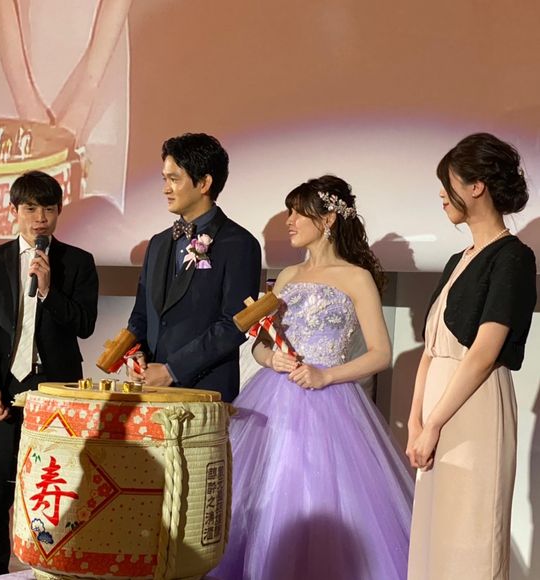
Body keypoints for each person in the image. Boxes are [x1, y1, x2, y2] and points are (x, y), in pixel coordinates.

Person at [211, 175, 414, 580]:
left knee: (318, 492)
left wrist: (326, 375)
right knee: (261, 493)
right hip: (273, 399)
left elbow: (381, 353)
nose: (288, 221)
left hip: (330, 402)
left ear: (328, 219)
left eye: (297, 212)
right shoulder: (287, 276)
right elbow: (260, 345)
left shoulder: (356, 277)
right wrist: (271, 359)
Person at [406, 133, 537, 580]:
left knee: (470, 534)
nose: (442, 195)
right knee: (435, 535)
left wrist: (434, 424)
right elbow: (430, 349)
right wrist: (416, 422)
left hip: (474, 405)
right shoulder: (456, 260)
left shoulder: (513, 258)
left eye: (449, 184)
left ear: (477, 186)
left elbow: (483, 353)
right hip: (438, 409)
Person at [0, 170, 99, 579]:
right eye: (30, 209)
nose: (40, 218)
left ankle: (48, 571)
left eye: (48, 209)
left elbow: (85, 325)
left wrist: (47, 290)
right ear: (14, 211)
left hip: (56, 393)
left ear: (58, 211)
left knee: (52, 492)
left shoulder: (78, 262)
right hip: (4, 393)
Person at [127, 133, 262, 402]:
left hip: (205, 392)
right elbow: (141, 315)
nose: (165, 189)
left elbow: (234, 323)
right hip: (150, 391)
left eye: (174, 179)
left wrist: (172, 370)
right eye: (164, 179)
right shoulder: (158, 243)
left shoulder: (239, 244)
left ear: (204, 183)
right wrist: (135, 354)